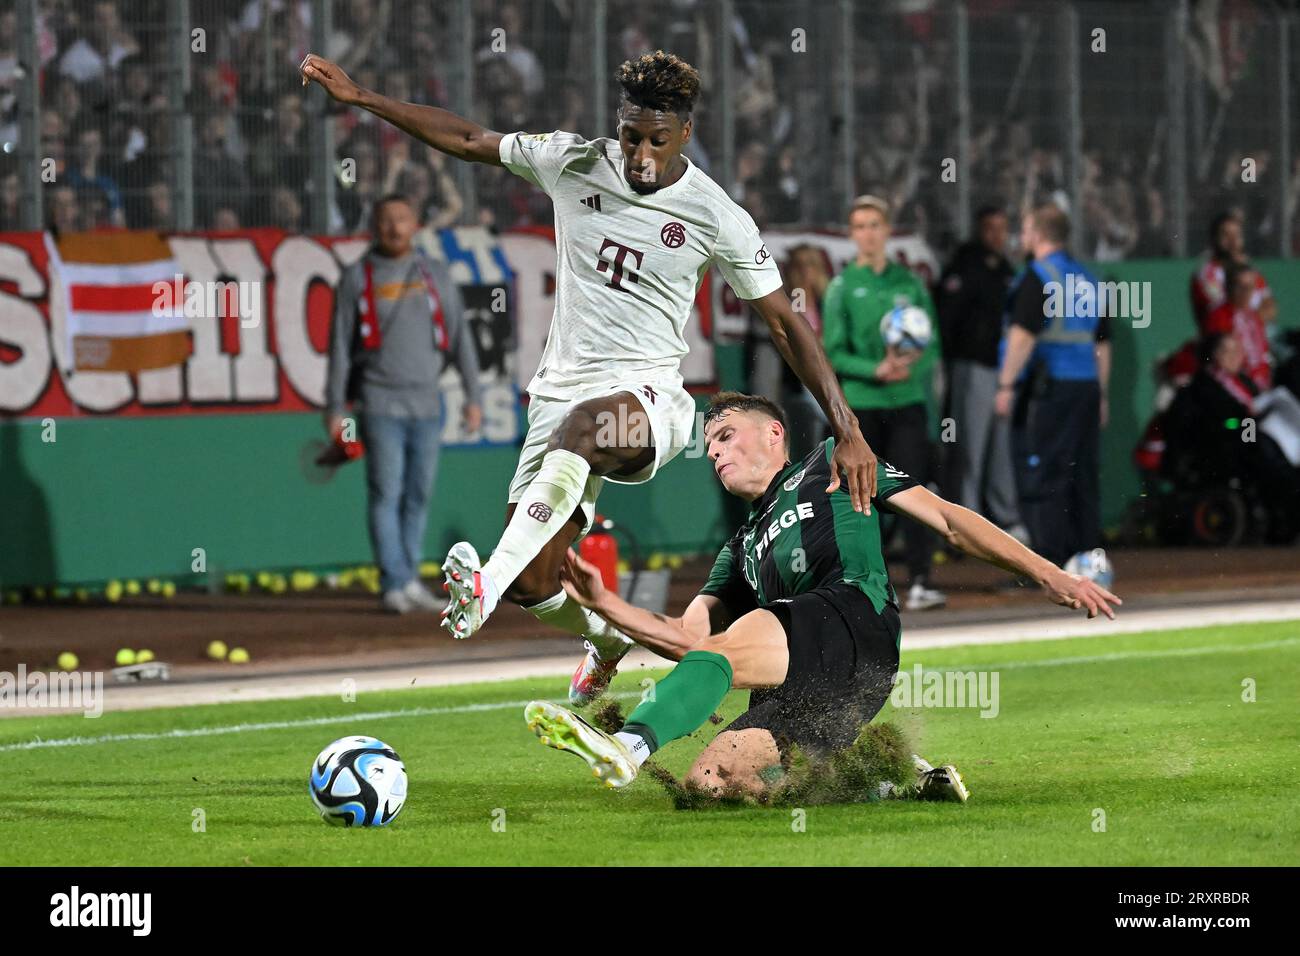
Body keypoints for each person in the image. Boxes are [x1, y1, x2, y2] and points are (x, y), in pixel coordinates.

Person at [301, 49, 878, 704]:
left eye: (657, 140)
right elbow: (467, 139)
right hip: (558, 394)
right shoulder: (572, 160)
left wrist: (847, 427)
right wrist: (365, 99)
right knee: (538, 582)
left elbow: (784, 323)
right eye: (631, 135)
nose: (639, 154)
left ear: (684, 133)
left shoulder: (715, 214)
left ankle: (483, 586)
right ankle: (605, 637)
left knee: (583, 435)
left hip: (650, 399)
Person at [523, 391, 1120, 798]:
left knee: (740, 643)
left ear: (774, 433)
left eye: (727, 437)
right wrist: (608, 607)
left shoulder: (833, 464)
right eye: (710, 448)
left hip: (855, 624)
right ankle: (879, 779)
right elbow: (688, 642)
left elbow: (948, 520)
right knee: (715, 779)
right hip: (811, 685)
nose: (716, 454)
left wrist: (1050, 575)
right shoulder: (738, 549)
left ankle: (629, 743)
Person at [325, 194, 483, 614]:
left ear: (415, 224)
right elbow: (339, 347)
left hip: (428, 404)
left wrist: (473, 396)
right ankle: (393, 582)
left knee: (418, 494)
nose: (394, 227)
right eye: (386, 220)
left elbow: (461, 336)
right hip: (379, 404)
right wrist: (335, 410)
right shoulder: (357, 277)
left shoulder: (435, 273)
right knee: (386, 493)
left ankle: (409, 578)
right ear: (374, 227)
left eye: (402, 218)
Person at [822, 195, 946, 610]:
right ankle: (869, 587)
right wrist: (875, 369)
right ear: (852, 234)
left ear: (887, 230)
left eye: (875, 224)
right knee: (862, 496)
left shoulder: (908, 283)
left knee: (914, 492)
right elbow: (832, 354)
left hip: (907, 402)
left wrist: (912, 367)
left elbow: (931, 344)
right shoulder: (841, 288)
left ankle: (922, 581)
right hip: (862, 410)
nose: (868, 234)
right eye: (859, 226)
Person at [994, 204, 1110, 572]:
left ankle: (1050, 564)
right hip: (1087, 389)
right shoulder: (1089, 279)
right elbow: (1103, 344)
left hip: (1049, 391)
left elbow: (1022, 337)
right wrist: (1102, 393)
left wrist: (1006, 384)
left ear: (1039, 234)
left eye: (1026, 229)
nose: (1022, 236)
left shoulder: (1037, 277)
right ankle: (1089, 557)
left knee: (1043, 472)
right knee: (1083, 473)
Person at [935, 205, 1026, 541]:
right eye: (990, 228)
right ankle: (968, 522)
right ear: (979, 229)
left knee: (1000, 447)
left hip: (1002, 372)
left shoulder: (1005, 268)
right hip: (971, 367)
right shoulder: (966, 264)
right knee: (970, 448)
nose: (997, 236)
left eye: (1002, 228)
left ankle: (1006, 517)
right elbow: (947, 319)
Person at [1190, 211, 1277, 332]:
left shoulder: (1249, 270)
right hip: (1225, 341)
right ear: (1214, 239)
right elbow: (1225, 314)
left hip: (1256, 338)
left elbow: (1270, 307)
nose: (1233, 241)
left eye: (1237, 235)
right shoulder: (1207, 273)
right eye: (1226, 235)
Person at [1203, 262, 1272, 392]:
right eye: (1241, 286)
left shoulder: (1253, 316)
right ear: (1228, 287)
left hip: (1261, 385)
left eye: (1250, 287)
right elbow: (1221, 361)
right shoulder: (1219, 315)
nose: (1246, 292)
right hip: (1236, 387)